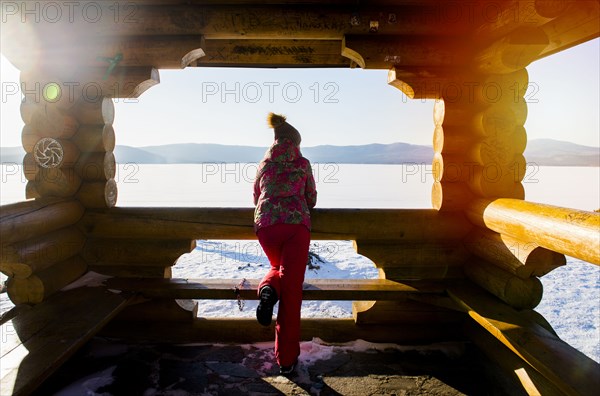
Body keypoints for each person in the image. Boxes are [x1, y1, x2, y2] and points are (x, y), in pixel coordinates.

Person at [253, 112, 317, 376]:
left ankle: (267, 289)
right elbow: (310, 197)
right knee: (292, 295)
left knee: (277, 267)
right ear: (295, 143)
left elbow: (256, 196)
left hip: (266, 226)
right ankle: (286, 360)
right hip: (295, 228)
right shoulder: (302, 163)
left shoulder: (264, 164)